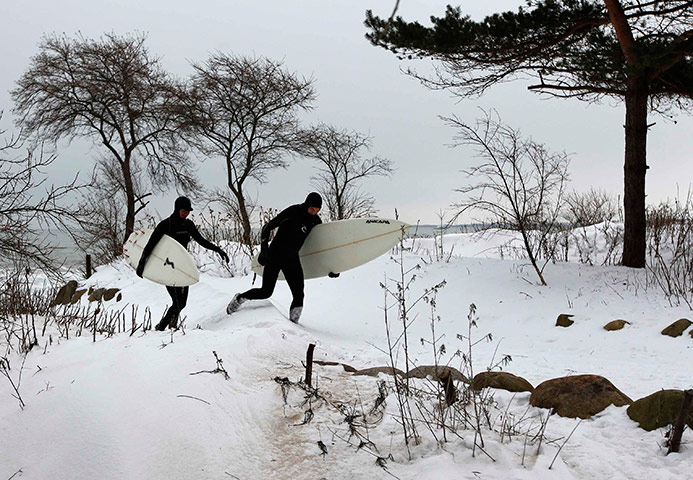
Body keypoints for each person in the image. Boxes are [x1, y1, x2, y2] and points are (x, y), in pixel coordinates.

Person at [226, 192, 326, 323]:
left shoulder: (315, 221)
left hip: (292, 259)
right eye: (311, 209)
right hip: (275, 255)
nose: (314, 212)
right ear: (306, 204)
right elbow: (267, 227)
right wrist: (264, 250)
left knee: (299, 295)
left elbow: (321, 246)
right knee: (266, 291)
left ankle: (293, 325)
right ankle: (239, 298)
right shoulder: (293, 211)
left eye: (317, 210)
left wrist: (330, 268)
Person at [137, 196, 229, 331]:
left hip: (182, 267)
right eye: (183, 210)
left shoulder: (188, 225)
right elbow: (151, 245)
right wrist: (141, 264)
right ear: (177, 208)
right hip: (167, 267)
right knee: (178, 302)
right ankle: (162, 326)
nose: (186, 213)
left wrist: (218, 250)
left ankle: (170, 326)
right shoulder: (165, 225)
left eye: (188, 211)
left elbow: (201, 240)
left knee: (182, 303)